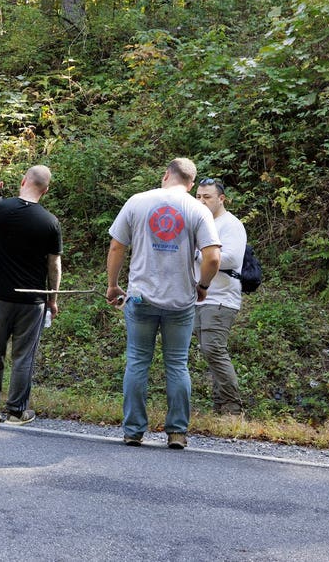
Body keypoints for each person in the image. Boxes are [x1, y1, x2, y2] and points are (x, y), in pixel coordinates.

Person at [106, 158, 220, 449]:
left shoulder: (137, 201)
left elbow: (117, 245)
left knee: (137, 362)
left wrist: (113, 285)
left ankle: (133, 431)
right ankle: (177, 433)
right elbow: (213, 257)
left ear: (166, 175)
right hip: (180, 301)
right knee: (177, 365)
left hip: (141, 298)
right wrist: (203, 286)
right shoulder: (198, 209)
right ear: (191, 183)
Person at [0, 166, 62, 425]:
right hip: (32, 301)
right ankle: (17, 412)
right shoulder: (50, 222)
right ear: (46, 190)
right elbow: (54, 265)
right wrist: (52, 300)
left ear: (23, 181)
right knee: (23, 357)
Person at [194, 177, 247, 416]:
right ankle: (220, 408)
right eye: (198, 197)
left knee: (213, 349)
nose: (202, 201)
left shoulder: (231, 224)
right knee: (208, 350)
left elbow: (232, 258)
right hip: (199, 296)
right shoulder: (199, 222)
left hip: (221, 297)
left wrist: (199, 253)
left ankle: (233, 409)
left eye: (207, 197)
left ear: (221, 199)